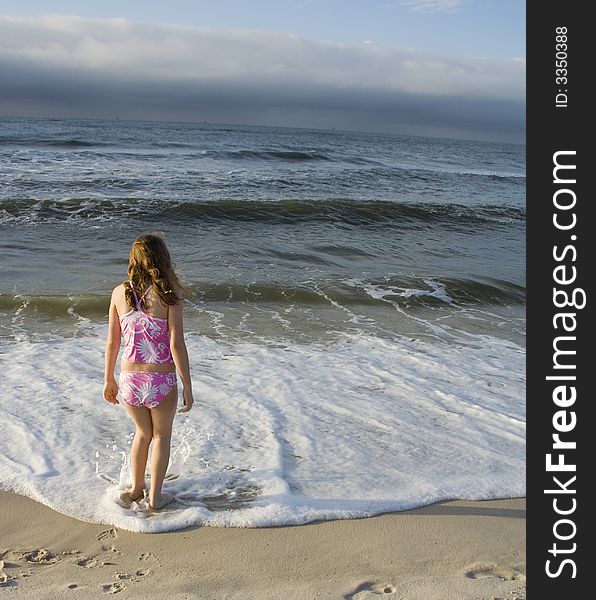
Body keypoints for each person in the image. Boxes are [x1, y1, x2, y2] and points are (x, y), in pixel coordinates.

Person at [103, 233, 194, 510]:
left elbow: (112, 341)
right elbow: (176, 344)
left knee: (142, 433)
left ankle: (135, 489)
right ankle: (155, 498)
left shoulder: (120, 293)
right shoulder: (169, 296)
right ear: (162, 259)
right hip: (161, 379)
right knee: (161, 437)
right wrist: (187, 385)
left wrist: (109, 379)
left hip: (130, 379)